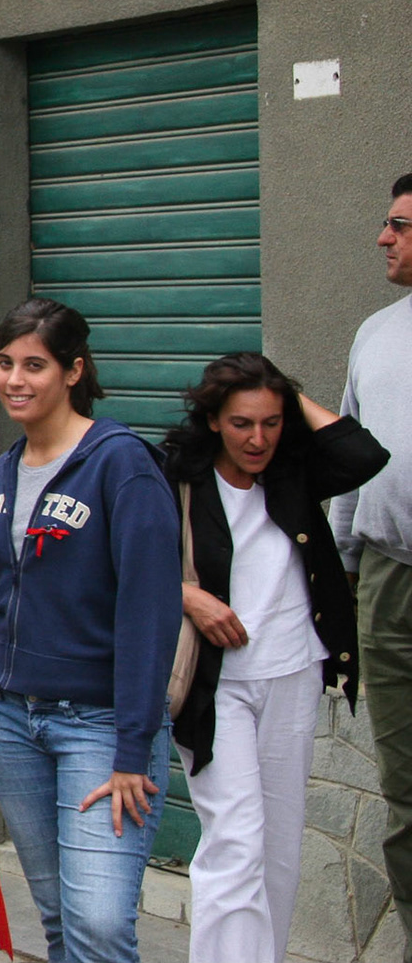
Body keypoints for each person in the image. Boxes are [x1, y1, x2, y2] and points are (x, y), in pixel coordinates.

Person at [0, 298, 181, 963]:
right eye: (4, 363)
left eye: (34, 365)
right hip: (12, 723)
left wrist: (132, 749)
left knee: (99, 924)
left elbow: (150, 615)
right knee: (60, 923)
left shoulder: (122, 464)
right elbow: (0, 608)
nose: (15, 380)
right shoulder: (3, 472)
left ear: (74, 371)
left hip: (101, 729)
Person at [162, 353, 386, 963]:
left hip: (293, 671)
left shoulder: (293, 469)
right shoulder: (176, 475)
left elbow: (364, 456)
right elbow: (120, 559)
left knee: (279, 850)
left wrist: (286, 390)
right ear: (213, 419)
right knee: (235, 843)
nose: (257, 439)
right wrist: (187, 596)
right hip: (215, 687)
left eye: (271, 422)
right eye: (241, 423)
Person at [334, 170, 412, 948]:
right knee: (405, 788)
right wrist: (344, 574)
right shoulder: (376, 333)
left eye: (401, 225)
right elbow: (349, 462)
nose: (383, 237)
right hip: (388, 585)